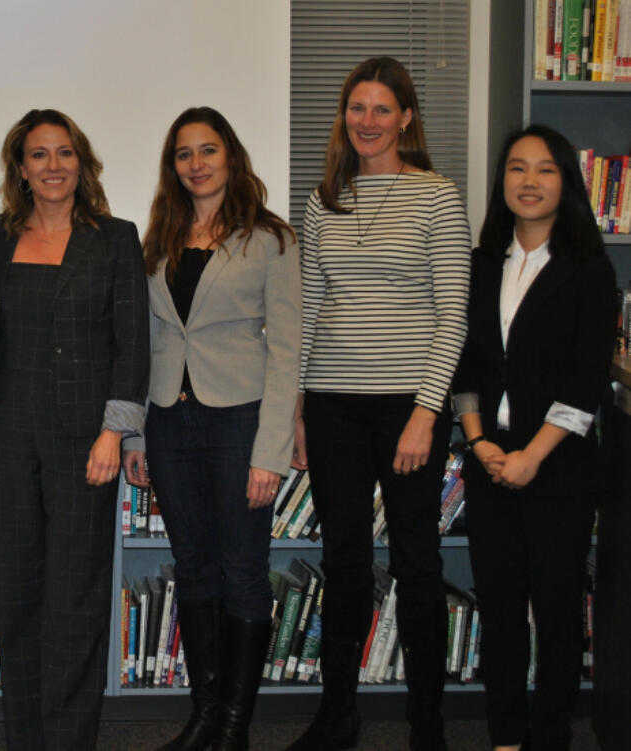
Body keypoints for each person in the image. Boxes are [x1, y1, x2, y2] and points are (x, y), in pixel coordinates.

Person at [290, 57, 471, 751]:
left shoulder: (437, 196)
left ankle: (428, 726)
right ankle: (337, 717)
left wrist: (427, 412)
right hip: (333, 403)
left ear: (406, 118)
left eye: (380, 109)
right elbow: (309, 308)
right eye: (355, 108)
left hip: (407, 408)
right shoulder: (324, 199)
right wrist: (299, 409)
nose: (366, 121)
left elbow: (452, 314)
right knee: (343, 561)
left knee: (418, 564)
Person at [121, 106, 303, 751]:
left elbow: (287, 352)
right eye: (183, 153)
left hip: (239, 421)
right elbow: (145, 344)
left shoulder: (272, 240)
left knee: (243, 570)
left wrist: (270, 453)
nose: (196, 163)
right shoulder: (159, 240)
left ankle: (234, 725)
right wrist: (137, 436)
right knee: (193, 568)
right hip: (170, 420)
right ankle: (204, 715)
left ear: (231, 156)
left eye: (208, 150)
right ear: (173, 166)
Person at [0, 108, 149, 751]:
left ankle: (70, 739)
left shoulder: (114, 237)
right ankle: (26, 737)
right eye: (39, 155)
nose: (53, 166)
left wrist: (116, 433)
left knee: (75, 597)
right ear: (20, 168)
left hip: (86, 440)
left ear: (82, 162)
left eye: (64, 153)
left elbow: (132, 345)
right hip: (11, 433)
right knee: (19, 593)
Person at [452, 125, 615, 751]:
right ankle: (506, 738)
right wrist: (477, 442)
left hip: (559, 470)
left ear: (566, 183)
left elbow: (584, 384)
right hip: (489, 463)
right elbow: (467, 369)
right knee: (498, 612)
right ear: (502, 182)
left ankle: (549, 738)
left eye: (544, 170)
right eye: (516, 168)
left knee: (555, 615)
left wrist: (530, 456)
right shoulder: (482, 264)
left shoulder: (588, 271)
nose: (528, 181)